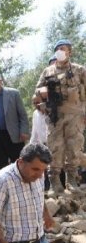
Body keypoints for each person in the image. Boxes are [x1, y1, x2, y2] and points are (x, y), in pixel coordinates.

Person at [34, 39, 86, 192]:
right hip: (55, 116)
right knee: (55, 147)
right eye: (58, 49)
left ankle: (72, 180)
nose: (60, 51)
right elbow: (37, 93)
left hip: (75, 115)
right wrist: (42, 94)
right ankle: (54, 182)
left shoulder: (79, 70)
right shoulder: (48, 71)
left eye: (63, 48)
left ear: (70, 51)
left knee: (74, 147)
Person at [0, 73, 29, 170]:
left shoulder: (14, 93)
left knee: (19, 164)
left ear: (1, 81)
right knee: (0, 165)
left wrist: (24, 131)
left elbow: (22, 114)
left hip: (14, 135)